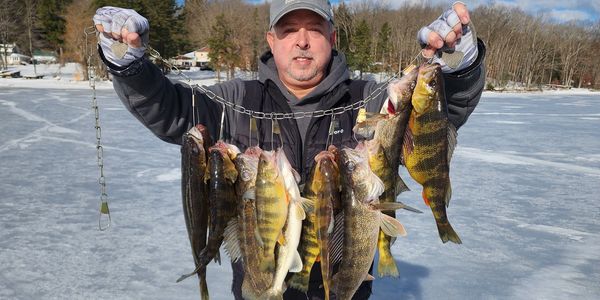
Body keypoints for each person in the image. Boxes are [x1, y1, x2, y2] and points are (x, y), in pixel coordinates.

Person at [93, 0, 485, 299]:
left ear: (332, 38)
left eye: (314, 29)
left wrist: (459, 66)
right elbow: (171, 111)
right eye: (288, 29)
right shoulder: (234, 98)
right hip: (259, 284)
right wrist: (128, 64)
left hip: (346, 286)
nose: (301, 40)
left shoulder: (371, 99)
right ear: (271, 40)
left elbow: (437, 117)